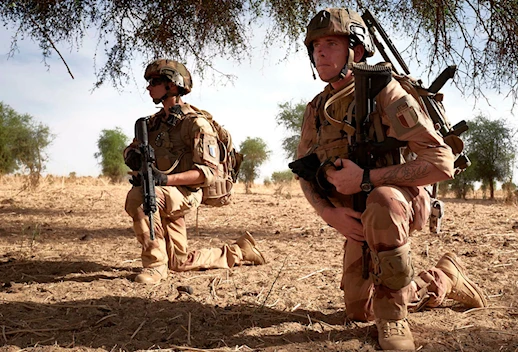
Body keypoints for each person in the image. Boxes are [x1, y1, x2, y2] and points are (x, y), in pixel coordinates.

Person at [295, 8, 487, 351]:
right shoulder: (317, 107)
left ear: (355, 50)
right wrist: (329, 213)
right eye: (315, 46)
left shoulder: (386, 92)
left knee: (382, 198)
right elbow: (303, 170)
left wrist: (366, 178)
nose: (319, 52)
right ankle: (443, 278)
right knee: (359, 310)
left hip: (401, 204)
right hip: (357, 214)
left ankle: (395, 319)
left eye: (330, 43)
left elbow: (441, 163)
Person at [123, 59, 266, 284]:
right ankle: (239, 251)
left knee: (138, 198)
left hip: (186, 192)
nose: (148, 87)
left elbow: (206, 173)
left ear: (172, 85)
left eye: (153, 81)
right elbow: (131, 149)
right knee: (179, 262)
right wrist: (131, 155)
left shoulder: (196, 124)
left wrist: (165, 179)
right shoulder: (150, 124)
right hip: (164, 193)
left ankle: (154, 266)